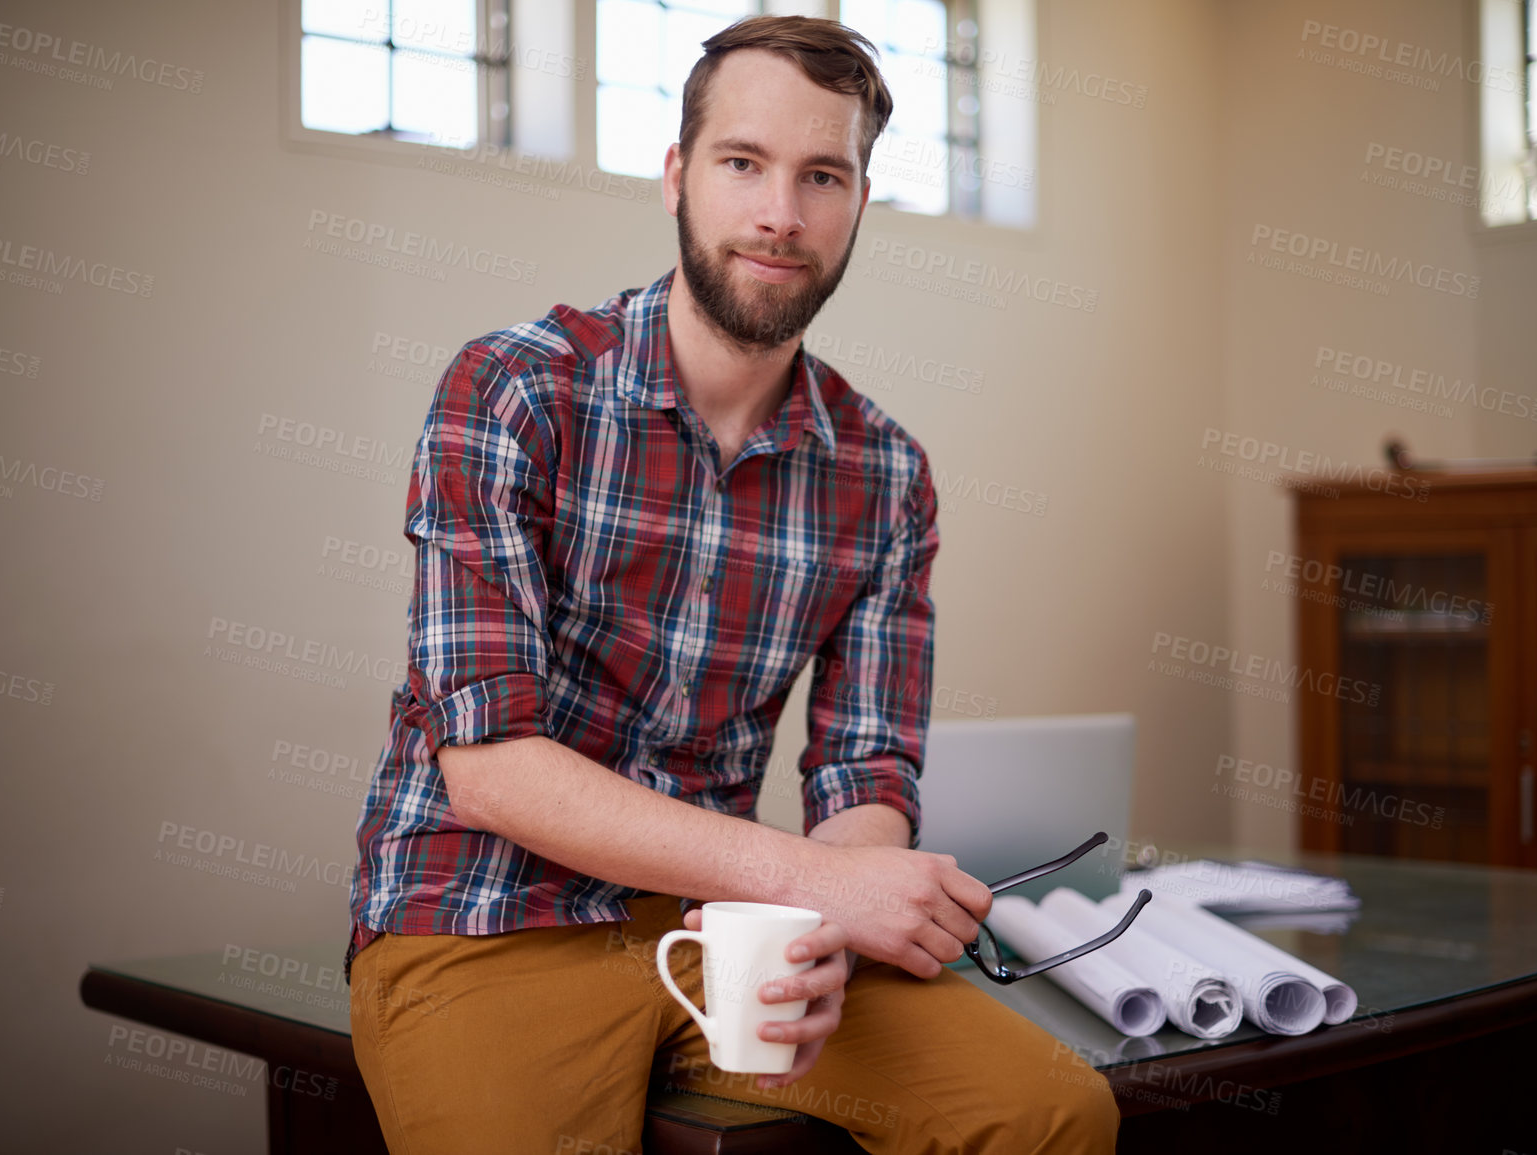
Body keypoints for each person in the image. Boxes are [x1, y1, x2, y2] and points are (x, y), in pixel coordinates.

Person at [346, 14, 1120, 1153]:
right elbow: (492, 770)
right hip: (478, 917)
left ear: (860, 201)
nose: (780, 215)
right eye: (743, 164)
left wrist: (823, 924)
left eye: (823, 176)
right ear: (677, 177)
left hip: (731, 927)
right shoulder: (513, 391)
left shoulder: (886, 473)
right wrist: (811, 882)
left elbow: (866, 763)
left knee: (1050, 1112)